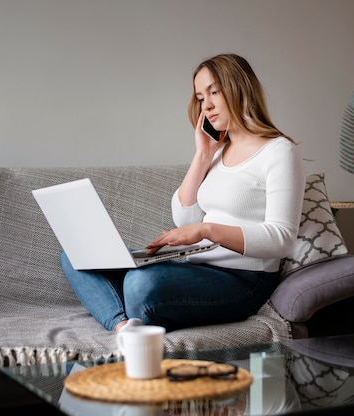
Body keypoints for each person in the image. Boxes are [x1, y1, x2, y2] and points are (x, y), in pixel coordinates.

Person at [61, 53, 306, 333]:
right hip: (195, 266)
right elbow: (185, 220)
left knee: (140, 283)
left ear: (240, 87)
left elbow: (281, 239)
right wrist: (202, 154)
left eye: (214, 92)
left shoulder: (279, 152)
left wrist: (207, 230)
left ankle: (127, 306)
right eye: (201, 97)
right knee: (78, 254)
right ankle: (123, 326)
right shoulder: (217, 152)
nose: (208, 105)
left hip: (245, 279)